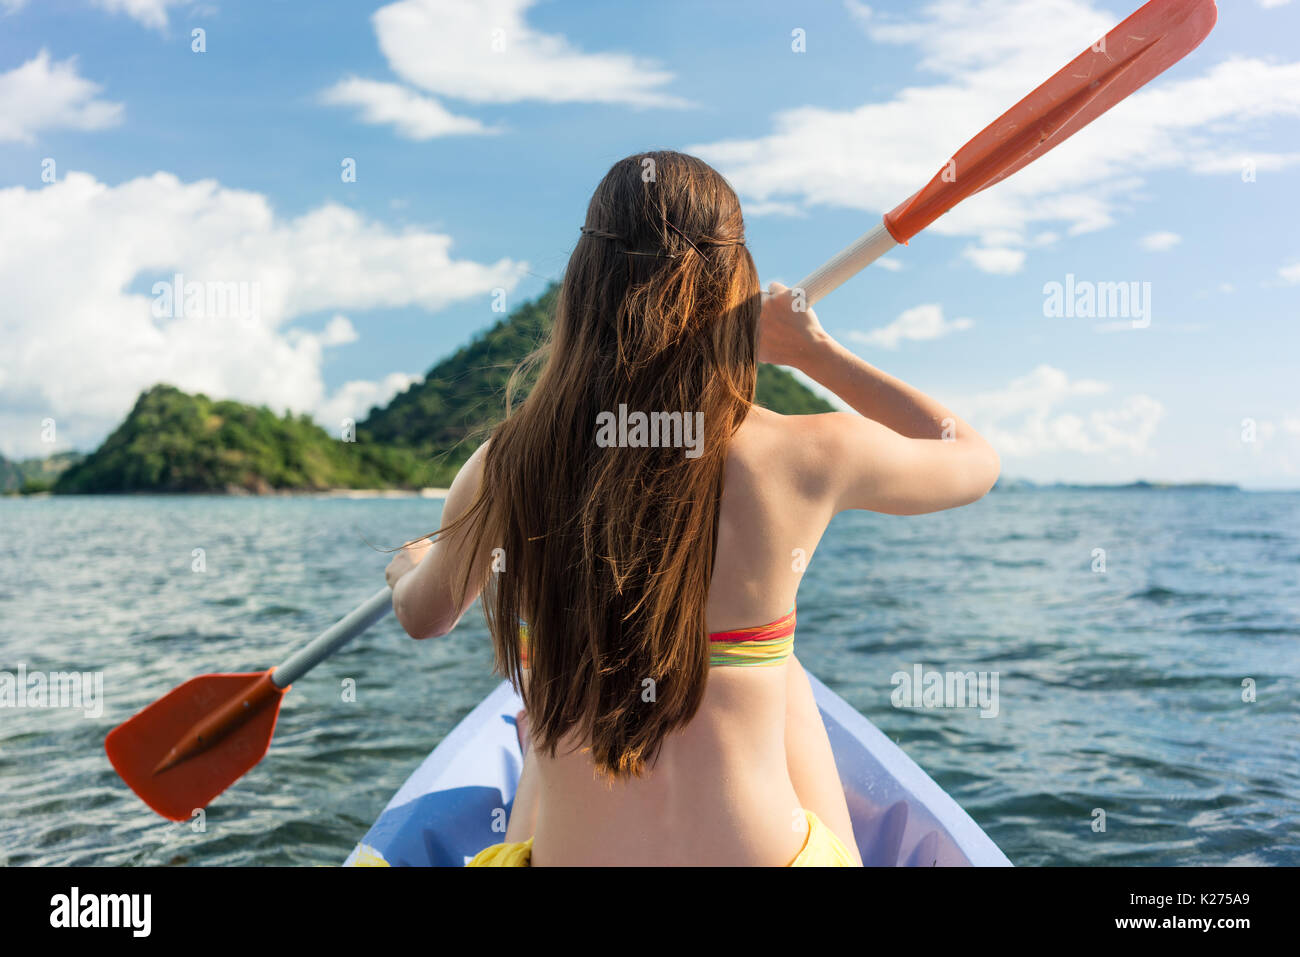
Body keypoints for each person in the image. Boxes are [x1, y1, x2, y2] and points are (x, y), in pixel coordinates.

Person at [383, 151, 999, 866]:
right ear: (733, 282)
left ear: (583, 288)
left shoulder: (505, 463)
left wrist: (409, 565)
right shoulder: (805, 456)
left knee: (539, 711)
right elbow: (973, 459)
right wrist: (816, 352)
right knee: (782, 669)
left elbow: (425, 616)